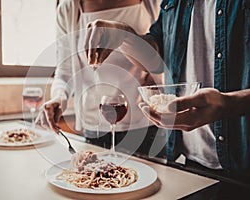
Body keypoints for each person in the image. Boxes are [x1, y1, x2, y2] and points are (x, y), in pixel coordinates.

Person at [83, 0, 250, 182]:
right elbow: (155, 59)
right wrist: (124, 37)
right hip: (191, 165)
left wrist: (229, 104)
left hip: (243, 164)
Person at [36, 0, 164, 156]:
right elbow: (65, 71)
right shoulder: (68, 9)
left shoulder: (152, 4)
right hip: (95, 127)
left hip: (147, 123)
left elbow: (159, 58)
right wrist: (58, 98)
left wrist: (124, 35)